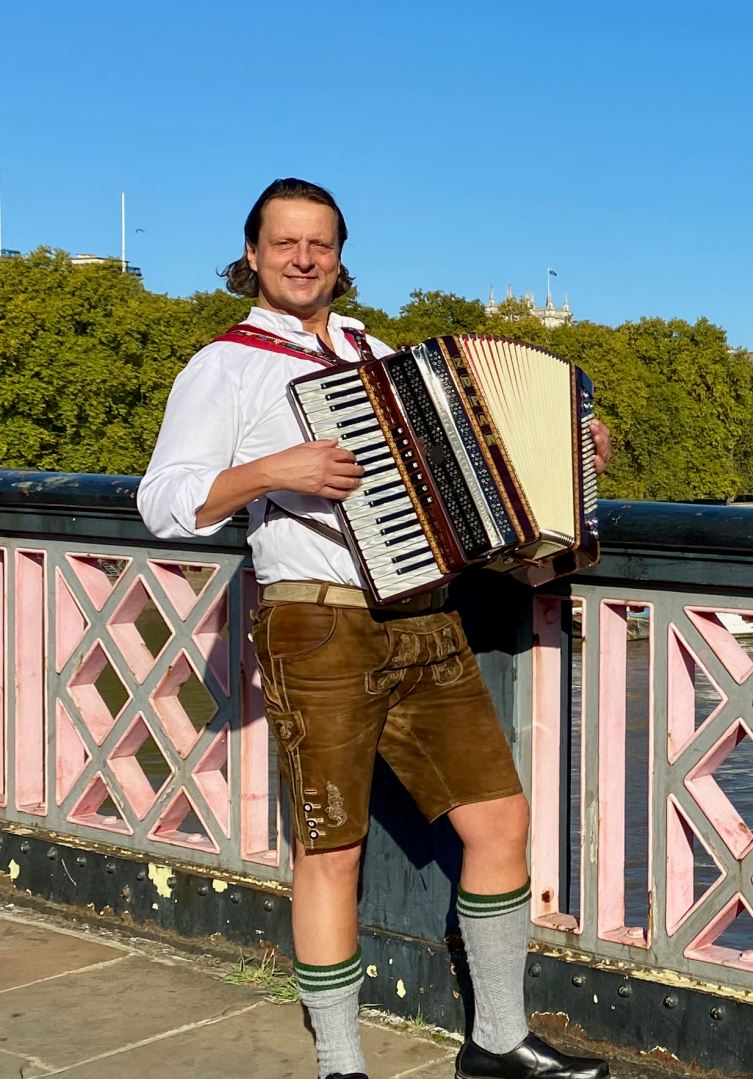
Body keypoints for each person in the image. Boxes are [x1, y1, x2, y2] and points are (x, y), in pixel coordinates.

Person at [138, 178, 611, 1079]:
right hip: (317, 625)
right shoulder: (224, 365)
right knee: (332, 847)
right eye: (285, 244)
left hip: (423, 619)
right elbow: (160, 503)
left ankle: (497, 1039)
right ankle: (344, 1066)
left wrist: (574, 451)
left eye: (319, 244)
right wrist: (273, 468)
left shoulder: (379, 353)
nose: (303, 259)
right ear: (251, 255)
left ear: (341, 258)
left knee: (500, 821)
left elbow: (473, 468)